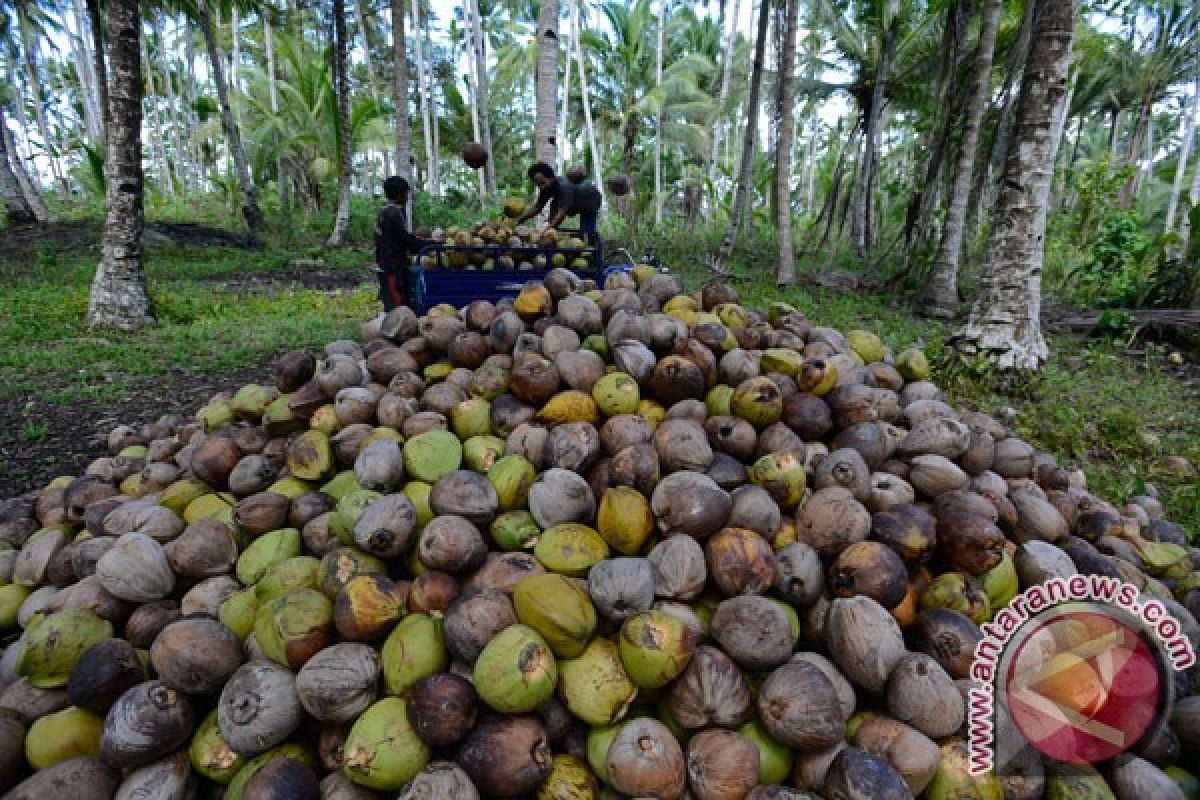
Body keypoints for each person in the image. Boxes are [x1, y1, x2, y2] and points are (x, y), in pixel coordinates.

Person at [375, 176, 424, 311]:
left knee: (392, 301)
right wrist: (425, 245)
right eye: (406, 193)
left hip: (385, 264)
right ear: (400, 194)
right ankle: (396, 330)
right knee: (398, 307)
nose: (407, 197)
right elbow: (405, 240)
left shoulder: (383, 212)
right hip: (393, 267)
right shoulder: (394, 213)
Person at [514, 162, 603, 234]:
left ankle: (590, 248)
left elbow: (561, 214)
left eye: (543, 183)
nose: (541, 187)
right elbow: (537, 207)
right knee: (554, 203)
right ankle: (552, 228)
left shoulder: (564, 187)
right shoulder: (546, 187)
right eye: (538, 185)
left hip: (590, 201)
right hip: (573, 199)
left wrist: (547, 231)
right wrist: (520, 219)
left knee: (586, 233)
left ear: (551, 178)